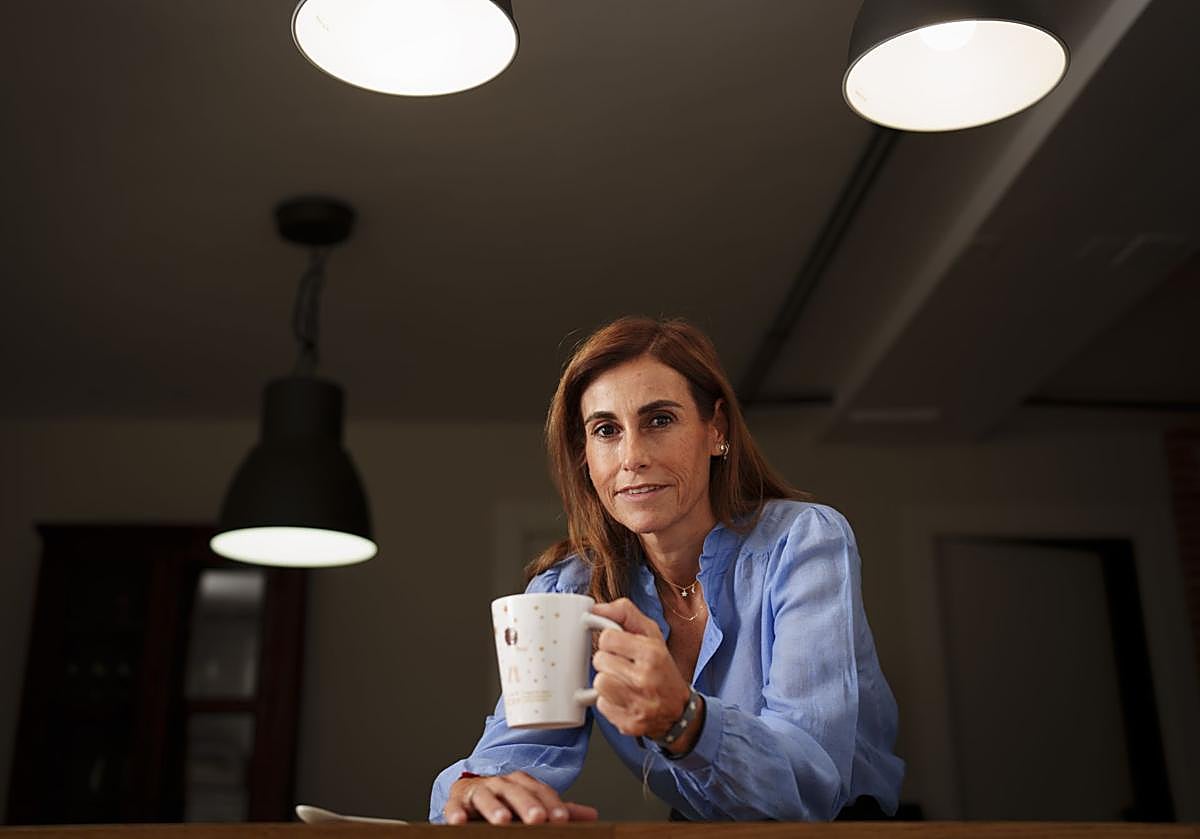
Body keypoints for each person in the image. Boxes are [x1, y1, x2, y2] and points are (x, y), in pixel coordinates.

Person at [430, 316, 904, 823]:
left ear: (716, 430)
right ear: (585, 457)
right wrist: (475, 790)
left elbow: (812, 787)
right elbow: (516, 750)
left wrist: (687, 722)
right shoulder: (569, 588)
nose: (632, 457)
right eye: (606, 430)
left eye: (659, 420)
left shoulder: (802, 541)